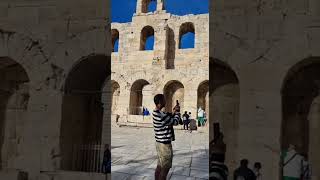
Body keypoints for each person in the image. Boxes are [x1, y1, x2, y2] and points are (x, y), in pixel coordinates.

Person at [152, 94, 181, 180]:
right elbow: (175, 122)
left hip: (159, 144)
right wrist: (178, 112)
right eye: (164, 100)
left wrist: (173, 112)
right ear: (160, 102)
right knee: (165, 169)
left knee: (160, 166)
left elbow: (167, 117)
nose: (166, 101)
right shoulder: (160, 114)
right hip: (164, 146)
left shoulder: (156, 112)